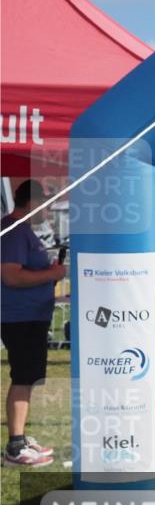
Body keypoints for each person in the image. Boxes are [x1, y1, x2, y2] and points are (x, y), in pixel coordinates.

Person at [0, 180, 64, 467]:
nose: (48, 213)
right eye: (47, 206)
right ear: (33, 202)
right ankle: (15, 446)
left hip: (29, 316)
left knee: (28, 378)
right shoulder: (14, 230)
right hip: (20, 317)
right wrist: (51, 275)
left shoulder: (20, 230)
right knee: (24, 378)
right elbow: (11, 276)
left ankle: (20, 439)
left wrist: (48, 273)